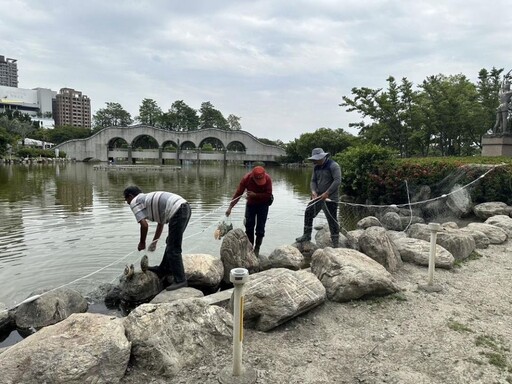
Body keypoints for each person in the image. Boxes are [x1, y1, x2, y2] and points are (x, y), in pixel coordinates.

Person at [123, 186, 191, 291]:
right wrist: (154, 242)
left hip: (178, 210)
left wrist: (142, 243)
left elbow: (144, 225)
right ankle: (164, 269)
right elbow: (161, 223)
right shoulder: (147, 201)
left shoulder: (135, 202)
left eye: (126, 199)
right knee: (170, 241)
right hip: (184, 208)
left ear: (131, 196)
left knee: (174, 248)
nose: (127, 202)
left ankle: (181, 280)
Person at [295, 148, 341, 247]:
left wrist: (327, 193)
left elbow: (337, 181)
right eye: (314, 160)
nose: (315, 161)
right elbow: (313, 181)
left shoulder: (333, 166)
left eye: (317, 159)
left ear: (323, 157)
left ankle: (335, 242)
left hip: (330, 198)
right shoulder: (316, 167)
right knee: (308, 212)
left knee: (332, 219)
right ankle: (306, 235)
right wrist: (313, 191)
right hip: (318, 197)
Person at [225, 165, 273, 256]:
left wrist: (256, 195)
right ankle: (250, 247)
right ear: (253, 177)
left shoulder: (268, 179)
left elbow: (268, 194)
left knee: (260, 228)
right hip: (251, 204)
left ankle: (257, 248)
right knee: (249, 226)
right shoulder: (246, 179)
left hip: (263, 205)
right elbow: (238, 194)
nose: (259, 182)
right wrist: (230, 207)